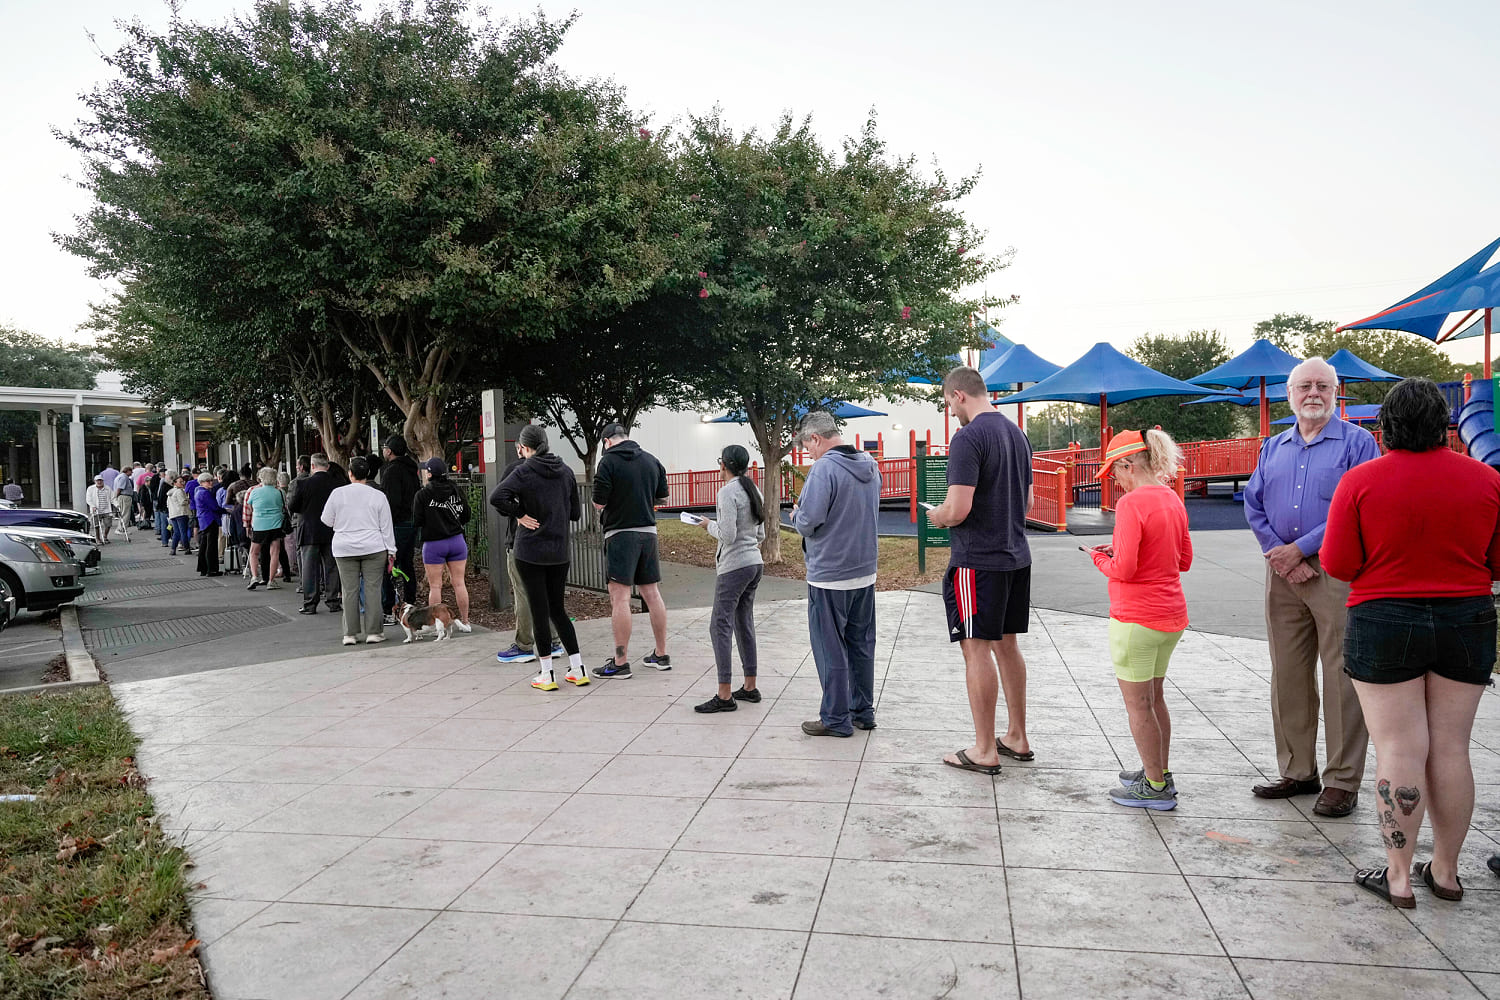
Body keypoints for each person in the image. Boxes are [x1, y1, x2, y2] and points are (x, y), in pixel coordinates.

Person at [1320, 378, 1500, 907]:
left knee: (1399, 748)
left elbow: (1338, 564)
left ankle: (1398, 877)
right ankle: (1445, 872)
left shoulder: (1360, 482)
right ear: (1446, 425)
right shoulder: (1487, 481)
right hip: (1465, 618)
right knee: (1451, 747)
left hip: (1383, 617)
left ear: (1385, 428)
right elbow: (1497, 562)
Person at [1244, 356, 1380, 818]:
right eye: (1304, 386)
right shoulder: (1273, 446)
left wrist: (1300, 549)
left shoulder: (1359, 444)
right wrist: (1281, 554)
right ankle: (1298, 770)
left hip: (1336, 572)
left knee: (1341, 674)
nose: (1313, 394)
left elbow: (1358, 507)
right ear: (1291, 395)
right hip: (1281, 572)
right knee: (1287, 671)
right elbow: (1253, 503)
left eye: (1322, 385)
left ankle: (1342, 781)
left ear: (1336, 392)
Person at [925, 366, 1035, 772]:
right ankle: (1017, 737)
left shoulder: (968, 438)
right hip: (1015, 557)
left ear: (958, 395)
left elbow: (958, 510)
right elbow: (1025, 505)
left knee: (975, 650)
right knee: (1008, 647)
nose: (951, 411)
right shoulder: (1018, 435)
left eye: (948, 403)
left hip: (977, 562)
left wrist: (936, 515)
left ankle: (984, 749)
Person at [1083, 429, 1194, 809]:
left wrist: (1099, 557)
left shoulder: (1132, 505)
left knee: (1138, 706)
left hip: (1135, 618)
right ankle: (1158, 771)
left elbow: (1125, 569)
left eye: (1116, 472)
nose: (1116, 482)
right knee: (1155, 699)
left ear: (1129, 465)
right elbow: (1183, 560)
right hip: (1170, 615)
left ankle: (1155, 786)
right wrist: (1125, 551)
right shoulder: (1170, 497)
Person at [790, 410, 881, 737]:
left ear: (816, 438)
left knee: (830, 647)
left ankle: (835, 718)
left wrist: (797, 515)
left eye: (807, 447)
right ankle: (862, 711)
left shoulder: (823, 469)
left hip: (829, 573)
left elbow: (809, 521)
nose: (808, 454)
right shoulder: (870, 465)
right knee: (860, 644)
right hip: (865, 571)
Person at [493, 425, 585, 691]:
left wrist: (520, 513)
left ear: (524, 447)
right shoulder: (566, 471)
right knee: (558, 610)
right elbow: (575, 514)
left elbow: (497, 496)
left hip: (529, 551)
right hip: (559, 550)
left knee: (539, 609)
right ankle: (578, 668)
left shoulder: (523, 471)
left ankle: (547, 674)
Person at [591, 422, 672, 679]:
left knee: (620, 597)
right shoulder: (651, 460)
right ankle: (661, 654)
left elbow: (598, 502)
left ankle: (620, 661)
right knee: (652, 593)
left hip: (620, 534)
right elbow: (663, 497)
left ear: (607, 442)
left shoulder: (608, 463)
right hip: (648, 533)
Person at [692, 445, 766, 713]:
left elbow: (728, 535)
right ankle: (749, 686)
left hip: (734, 566)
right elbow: (761, 535)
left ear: (724, 464)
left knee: (719, 626)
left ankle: (724, 694)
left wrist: (707, 525)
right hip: (754, 564)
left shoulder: (727, 492)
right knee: (743, 622)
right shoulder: (753, 490)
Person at [491, 444, 563, 664]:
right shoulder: (559, 469)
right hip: (551, 542)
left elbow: (499, 500)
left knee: (523, 593)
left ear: (521, 447)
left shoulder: (517, 469)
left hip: (521, 541)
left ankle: (524, 644)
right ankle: (554, 641)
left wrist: (519, 513)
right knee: (550, 595)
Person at [321, 455, 397, 645]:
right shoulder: (378, 496)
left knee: (349, 590)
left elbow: (326, 520)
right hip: (374, 546)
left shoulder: (337, 493)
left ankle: (350, 634)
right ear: (368, 474)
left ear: (350, 474)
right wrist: (391, 550)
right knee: (373, 589)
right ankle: (374, 632)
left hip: (344, 547)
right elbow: (386, 526)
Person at [411, 457, 474, 633]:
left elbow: (417, 520)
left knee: (435, 586)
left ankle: (437, 625)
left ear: (430, 473)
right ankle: (466, 621)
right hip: (456, 540)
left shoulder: (422, 495)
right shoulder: (456, 489)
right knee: (459, 583)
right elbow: (466, 514)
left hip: (433, 544)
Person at [288, 453, 341, 615]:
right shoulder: (337, 484)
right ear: (328, 466)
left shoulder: (303, 484)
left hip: (309, 529)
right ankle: (333, 601)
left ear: (312, 466)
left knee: (310, 568)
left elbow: (293, 505)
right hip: (331, 530)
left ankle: (310, 603)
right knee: (331, 566)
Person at [378, 435, 421, 628]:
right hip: (411, 523)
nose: (383, 450)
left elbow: (390, 501)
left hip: (396, 524)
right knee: (407, 565)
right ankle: (410, 602)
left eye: (385, 447)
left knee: (389, 566)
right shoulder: (412, 470)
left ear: (390, 451)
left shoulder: (391, 471)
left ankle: (389, 609)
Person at [244, 468, 287, 591]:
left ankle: (255, 577)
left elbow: (250, 508)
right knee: (274, 553)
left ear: (261, 478)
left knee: (254, 552)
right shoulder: (280, 492)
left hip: (259, 525)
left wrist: (248, 525)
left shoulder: (254, 492)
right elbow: (284, 507)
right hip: (276, 525)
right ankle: (271, 580)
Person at [193, 471, 225, 576]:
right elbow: (214, 507)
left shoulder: (198, 492)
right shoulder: (205, 493)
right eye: (208, 481)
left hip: (204, 520)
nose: (211, 483)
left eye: (211, 480)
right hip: (210, 519)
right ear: (202, 482)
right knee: (211, 546)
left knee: (204, 545)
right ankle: (211, 569)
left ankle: (203, 568)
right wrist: (226, 511)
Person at [85, 475, 114, 544]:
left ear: (103, 481)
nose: (99, 482)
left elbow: (112, 498)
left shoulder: (107, 488)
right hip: (96, 510)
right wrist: (92, 506)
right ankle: (97, 539)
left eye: (100, 480)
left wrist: (117, 505)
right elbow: (88, 499)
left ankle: (105, 536)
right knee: (96, 525)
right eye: (97, 480)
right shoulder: (90, 488)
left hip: (106, 509)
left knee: (108, 524)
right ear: (95, 481)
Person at [166, 475, 192, 554]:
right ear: (174, 483)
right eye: (180, 482)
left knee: (176, 532)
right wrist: (188, 500)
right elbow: (182, 502)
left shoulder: (170, 493)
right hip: (181, 513)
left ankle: (173, 549)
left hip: (173, 514)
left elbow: (167, 505)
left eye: (183, 481)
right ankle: (187, 548)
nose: (182, 483)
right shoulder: (179, 491)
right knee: (183, 532)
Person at [154, 464, 174, 547]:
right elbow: (161, 497)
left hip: (164, 508)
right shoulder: (167, 486)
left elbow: (160, 497)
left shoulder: (164, 484)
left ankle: (165, 540)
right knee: (168, 524)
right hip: (167, 508)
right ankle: (166, 538)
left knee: (166, 524)